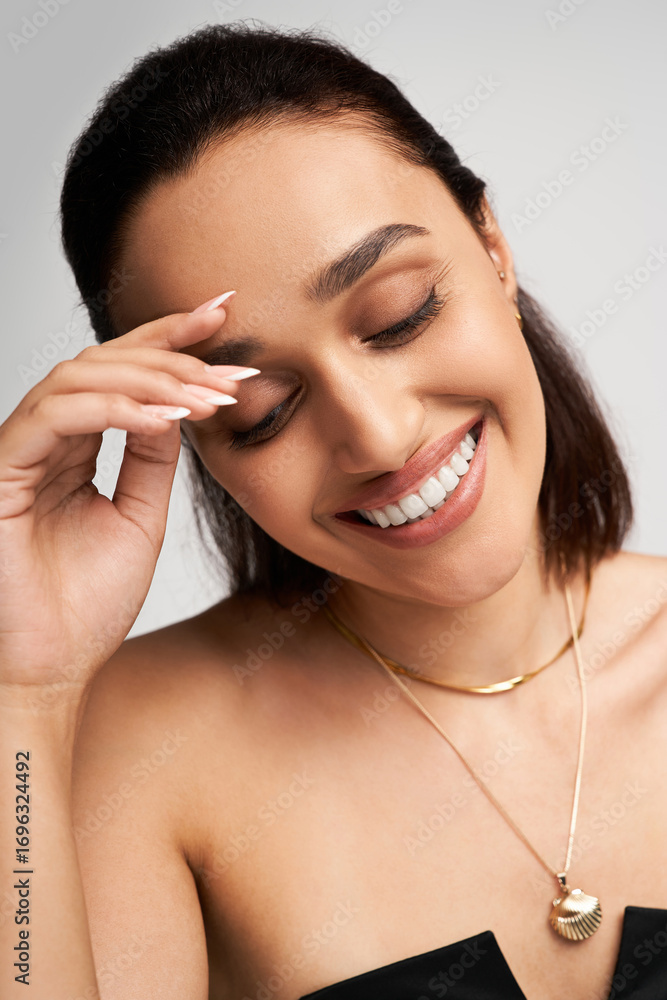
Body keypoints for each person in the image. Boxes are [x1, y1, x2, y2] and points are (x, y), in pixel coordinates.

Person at [1, 20, 665, 1000]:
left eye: (399, 315)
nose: (381, 439)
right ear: (190, 442)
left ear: (491, 247)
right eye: (263, 410)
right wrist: (26, 692)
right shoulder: (142, 745)